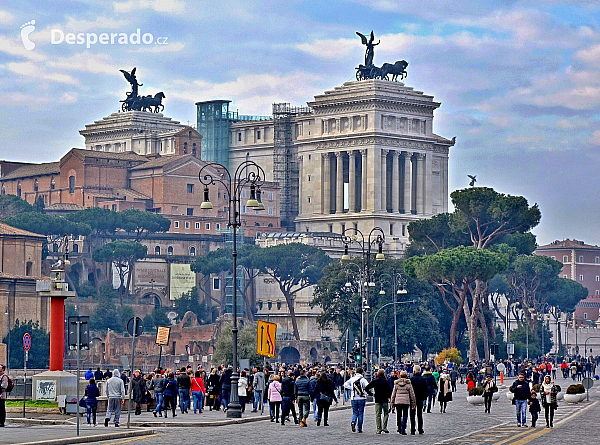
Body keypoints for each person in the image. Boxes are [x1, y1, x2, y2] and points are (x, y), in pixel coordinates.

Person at [365, 369, 392, 434]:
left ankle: (379, 428)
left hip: (377, 399)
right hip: (385, 399)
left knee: (378, 414)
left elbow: (366, 388)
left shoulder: (375, 381)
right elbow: (389, 391)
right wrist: (390, 398)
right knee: (386, 413)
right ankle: (384, 427)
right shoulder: (386, 381)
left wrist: (371, 394)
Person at [343, 366, 368, 433]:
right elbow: (367, 387)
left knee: (354, 412)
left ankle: (353, 422)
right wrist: (365, 393)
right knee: (361, 413)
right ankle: (359, 428)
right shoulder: (363, 380)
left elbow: (345, 384)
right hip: (361, 398)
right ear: (362, 373)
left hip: (353, 398)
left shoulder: (352, 379)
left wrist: (351, 388)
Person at [391, 370, 416, 435]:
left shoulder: (396, 384)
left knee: (399, 415)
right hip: (406, 401)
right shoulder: (408, 384)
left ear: (400, 376)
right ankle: (403, 428)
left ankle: (399, 427)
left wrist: (392, 403)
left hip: (398, 401)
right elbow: (412, 394)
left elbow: (393, 394)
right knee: (405, 415)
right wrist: (413, 403)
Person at [409, 365, 428, 435]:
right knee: (419, 414)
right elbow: (426, 389)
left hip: (412, 399)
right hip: (420, 398)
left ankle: (412, 429)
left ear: (414, 371)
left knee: (412, 414)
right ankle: (420, 428)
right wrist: (424, 397)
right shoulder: (423, 379)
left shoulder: (411, 379)